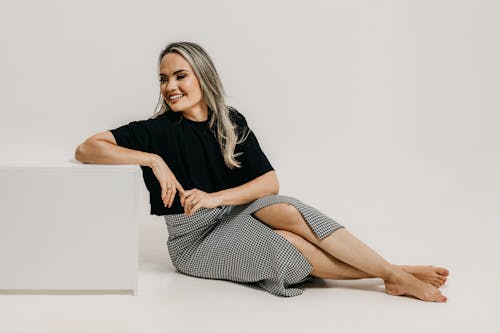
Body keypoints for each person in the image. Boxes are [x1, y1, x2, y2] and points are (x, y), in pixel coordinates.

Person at [75, 41, 449, 301]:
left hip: (232, 214)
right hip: (195, 242)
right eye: (163, 79)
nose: (170, 87)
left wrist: (213, 197)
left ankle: (392, 273)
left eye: (180, 76)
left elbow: (269, 183)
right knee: (290, 245)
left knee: (285, 208)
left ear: (202, 77)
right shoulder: (157, 131)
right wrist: (153, 160)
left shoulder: (230, 121)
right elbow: (87, 148)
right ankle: (393, 273)